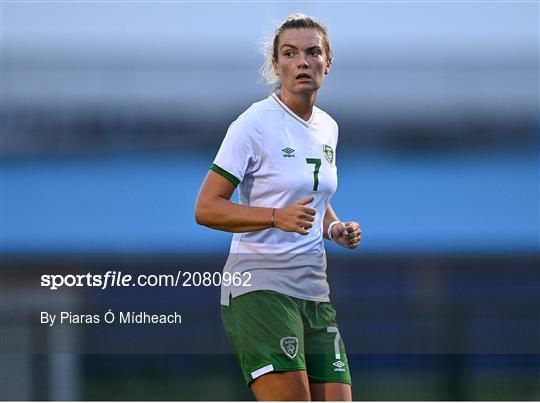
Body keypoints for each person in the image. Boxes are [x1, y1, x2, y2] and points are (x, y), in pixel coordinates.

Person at [195, 13, 361, 401]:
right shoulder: (253, 124)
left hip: (314, 288)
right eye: (290, 53)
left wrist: (333, 227)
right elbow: (206, 208)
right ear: (276, 65)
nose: (302, 62)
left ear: (328, 62)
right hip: (260, 286)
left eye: (312, 52)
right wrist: (274, 218)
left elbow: (313, 197)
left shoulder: (328, 127)